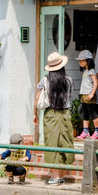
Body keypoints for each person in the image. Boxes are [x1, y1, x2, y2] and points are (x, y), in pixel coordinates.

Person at [33, 52, 74, 185]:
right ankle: (61, 175)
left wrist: (35, 114)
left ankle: (55, 177)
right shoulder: (69, 80)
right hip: (65, 114)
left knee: (51, 144)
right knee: (66, 142)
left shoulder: (45, 80)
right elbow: (70, 97)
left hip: (51, 114)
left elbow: (37, 98)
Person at [76, 50, 98, 139]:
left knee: (92, 113)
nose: (80, 62)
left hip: (89, 95)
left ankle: (97, 130)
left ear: (87, 61)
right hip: (84, 95)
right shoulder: (86, 71)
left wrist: (92, 93)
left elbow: (95, 82)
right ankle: (85, 131)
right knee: (85, 113)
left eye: (81, 60)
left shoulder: (91, 71)